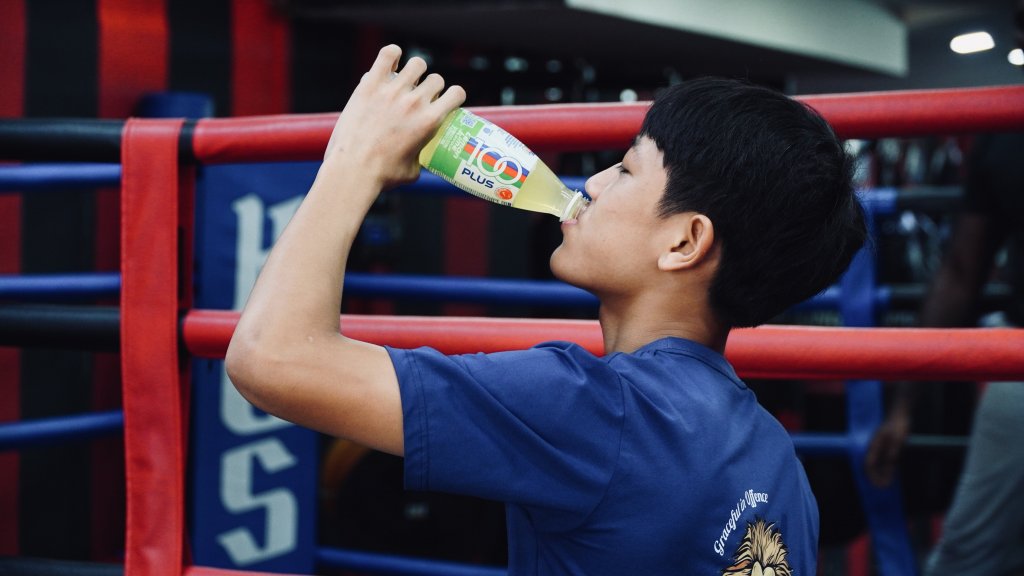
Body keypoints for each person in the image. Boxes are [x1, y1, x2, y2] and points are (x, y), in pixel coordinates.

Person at [226, 44, 866, 575]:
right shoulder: (776, 458)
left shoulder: (589, 410)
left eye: (626, 169)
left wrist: (352, 161)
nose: (592, 182)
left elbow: (270, 359)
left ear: (684, 242)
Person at [864, 130, 1024, 576]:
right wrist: (904, 408)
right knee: (965, 558)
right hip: (1021, 365)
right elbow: (959, 273)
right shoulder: (1007, 130)